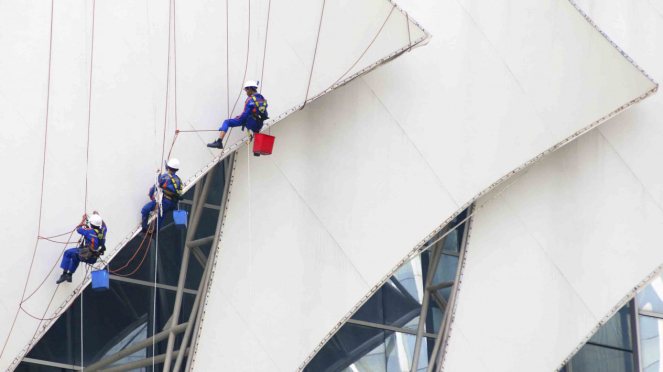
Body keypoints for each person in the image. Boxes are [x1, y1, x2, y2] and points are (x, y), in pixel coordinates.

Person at [207, 80, 269, 149]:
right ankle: (258, 150)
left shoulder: (249, 100)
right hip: (259, 124)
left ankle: (219, 142)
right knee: (256, 132)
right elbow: (265, 113)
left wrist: (238, 117)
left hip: (250, 122)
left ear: (250, 90)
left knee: (227, 122)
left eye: (246, 91)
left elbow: (245, 115)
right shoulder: (263, 99)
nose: (246, 93)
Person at [57, 212, 107, 284]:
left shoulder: (89, 231)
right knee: (76, 257)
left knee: (67, 253)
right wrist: (98, 216)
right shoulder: (103, 232)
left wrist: (83, 219)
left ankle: (64, 274)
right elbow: (104, 225)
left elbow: (78, 229)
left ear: (91, 224)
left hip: (85, 255)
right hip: (93, 258)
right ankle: (69, 275)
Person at [140, 158, 183, 234]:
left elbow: (154, 188)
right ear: (177, 170)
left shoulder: (164, 177)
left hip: (165, 202)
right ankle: (155, 232)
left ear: (168, 167)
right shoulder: (178, 180)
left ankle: (144, 229)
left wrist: (151, 196)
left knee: (145, 209)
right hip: (173, 204)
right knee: (161, 213)